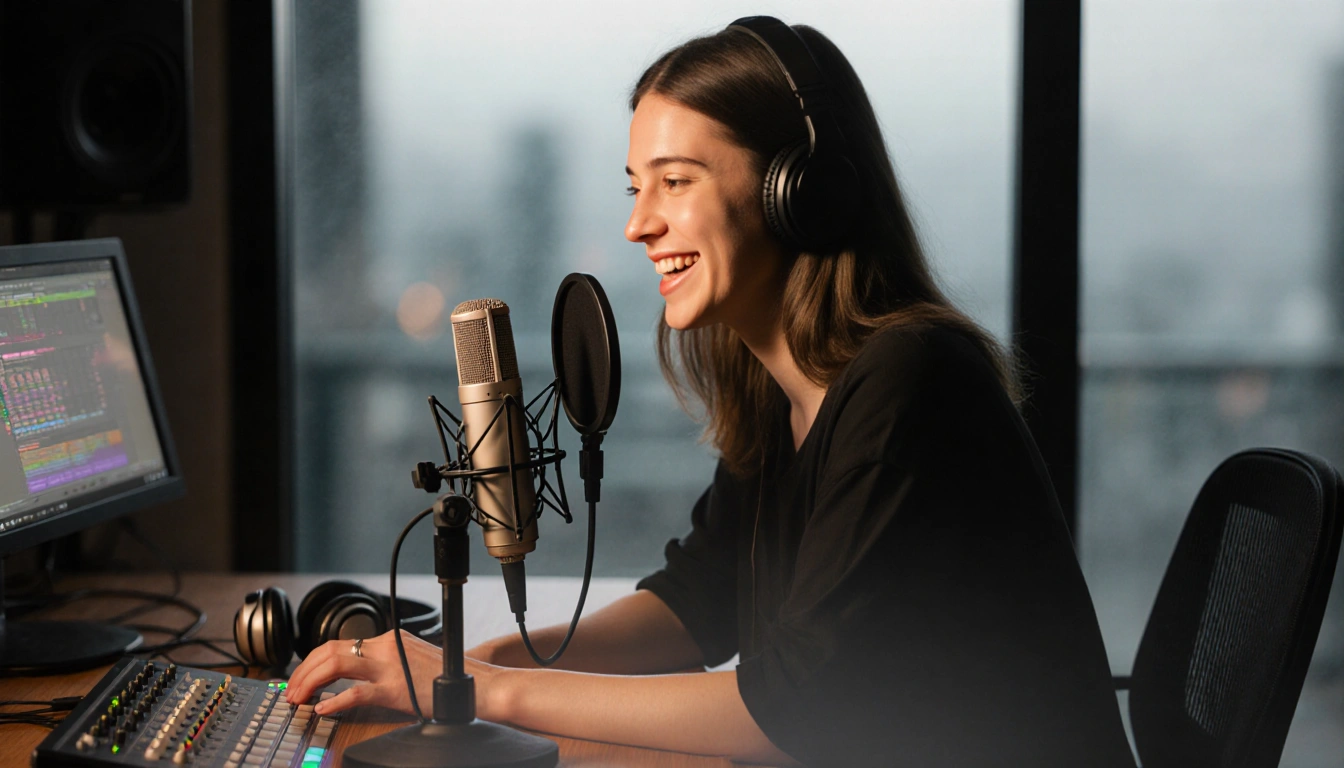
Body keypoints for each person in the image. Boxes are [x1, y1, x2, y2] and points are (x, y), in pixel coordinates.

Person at [286, 17, 1136, 767]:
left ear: (799, 190)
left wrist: (483, 695)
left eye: (676, 180)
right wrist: (486, 661)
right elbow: (698, 601)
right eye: (634, 186)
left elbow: (788, 711)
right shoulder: (781, 390)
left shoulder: (910, 381)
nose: (638, 223)